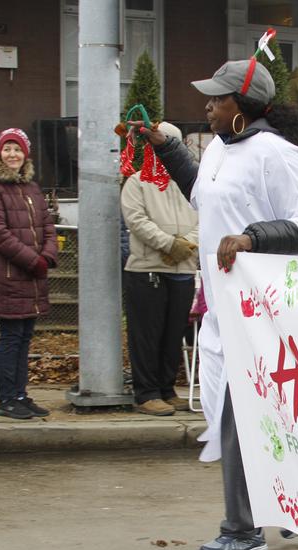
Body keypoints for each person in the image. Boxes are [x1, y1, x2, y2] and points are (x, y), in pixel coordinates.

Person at [133, 59, 298, 550]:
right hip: (226, 306)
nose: (207, 106)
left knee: (238, 415)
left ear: (240, 106)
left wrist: (251, 238)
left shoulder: (280, 155)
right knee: (247, 412)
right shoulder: (221, 147)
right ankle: (287, 505)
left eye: (217, 98)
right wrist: (168, 147)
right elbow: (205, 194)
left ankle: (241, 530)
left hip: (267, 309)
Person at [0, 128, 57, 420]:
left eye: (18, 150)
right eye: (8, 149)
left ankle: (20, 394)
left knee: (24, 337)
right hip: (8, 275)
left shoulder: (31, 187)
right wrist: (32, 260)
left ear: (26, 154)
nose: (13, 155)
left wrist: (47, 255)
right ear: (0, 153)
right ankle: (7, 398)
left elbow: (47, 224)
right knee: (11, 338)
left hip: (31, 275)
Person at [121, 121, 199, 417]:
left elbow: (208, 216)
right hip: (147, 270)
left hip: (183, 270)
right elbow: (137, 221)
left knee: (172, 335)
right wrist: (170, 245)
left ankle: (167, 388)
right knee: (147, 335)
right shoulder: (137, 182)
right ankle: (146, 392)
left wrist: (186, 246)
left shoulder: (192, 186)